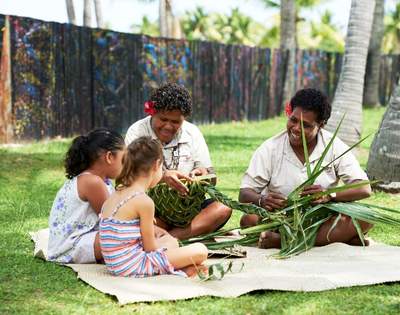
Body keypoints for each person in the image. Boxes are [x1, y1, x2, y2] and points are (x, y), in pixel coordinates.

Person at [239, 88, 372, 248]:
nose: (296, 128)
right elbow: (245, 193)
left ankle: (283, 241)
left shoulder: (333, 146)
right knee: (249, 219)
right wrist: (262, 199)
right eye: (293, 120)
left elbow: (364, 189)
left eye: (306, 125)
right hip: (280, 219)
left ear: (321, 125)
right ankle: (336, 238)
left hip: (320, 218)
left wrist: (329, 195)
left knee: (367, 217)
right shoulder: (270, 148)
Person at [125, 82, 232, 240]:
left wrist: (204, 175)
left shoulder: (192, 132)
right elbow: (128, 177)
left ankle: (169, 238)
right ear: (152, 113)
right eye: (163, 119)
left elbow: (212, 177)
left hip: (188, 209)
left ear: (184, 118)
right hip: (152, 210)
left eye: (176, 122)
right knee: (140, 220)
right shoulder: (137, 132)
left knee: (223, 208)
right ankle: (181, 235)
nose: (168, 126)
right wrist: (163, 177)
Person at [99, 136, 208, 277]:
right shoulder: (144, 201)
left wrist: (167, 243)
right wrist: (167, 246)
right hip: (132, 266)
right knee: (200, 250)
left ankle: (182, 268)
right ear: (157, 165)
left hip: (115, 264)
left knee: (171, 241)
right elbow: (150, 248)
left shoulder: (117, 192)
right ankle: (177, 268)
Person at [48, 128, 125, 263]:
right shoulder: (92, 182)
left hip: (82, 239)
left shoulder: (100, 180)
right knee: (125, 236)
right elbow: (113, 220)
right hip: (69, 247)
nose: (125, 165)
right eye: (123, 160)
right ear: (109, 157)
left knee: (132, 233)